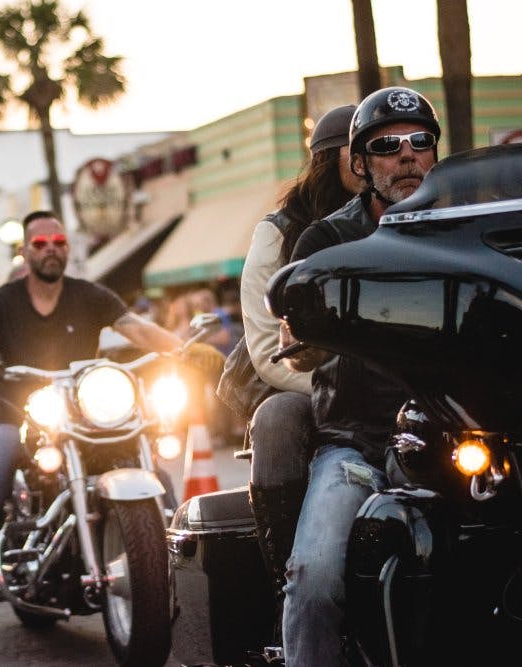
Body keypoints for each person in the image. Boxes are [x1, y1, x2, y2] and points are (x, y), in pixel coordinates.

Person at [0, 210, 225, 662]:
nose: (50, 249)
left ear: (67, 248)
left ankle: (185, 590)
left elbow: (137, 328)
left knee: (159, 480)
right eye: (40, 244)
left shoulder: (90, 295)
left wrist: (186, 350)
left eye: (58, 242)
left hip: (86, 417)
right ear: (25, 251)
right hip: (18, 419)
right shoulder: (0, 302)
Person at [280, 86, 441, 665]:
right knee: (315, 576)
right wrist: (305, 334)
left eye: (420, 141)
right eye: (387, 146)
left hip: (458, 438)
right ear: (359, 163)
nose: (407, 155)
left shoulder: (461, 229)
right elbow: (295, 345)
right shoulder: (328, 240)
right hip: (360, 444)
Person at [235, 104, 360, 622]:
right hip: (304, 381)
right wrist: (337, 385)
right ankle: (287, 572)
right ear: (330, 160)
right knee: (278, 419)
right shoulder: (281, 231)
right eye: (364, 148)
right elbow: (268, 350)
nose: (385, 157)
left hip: (395, 381)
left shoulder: (399, 215)